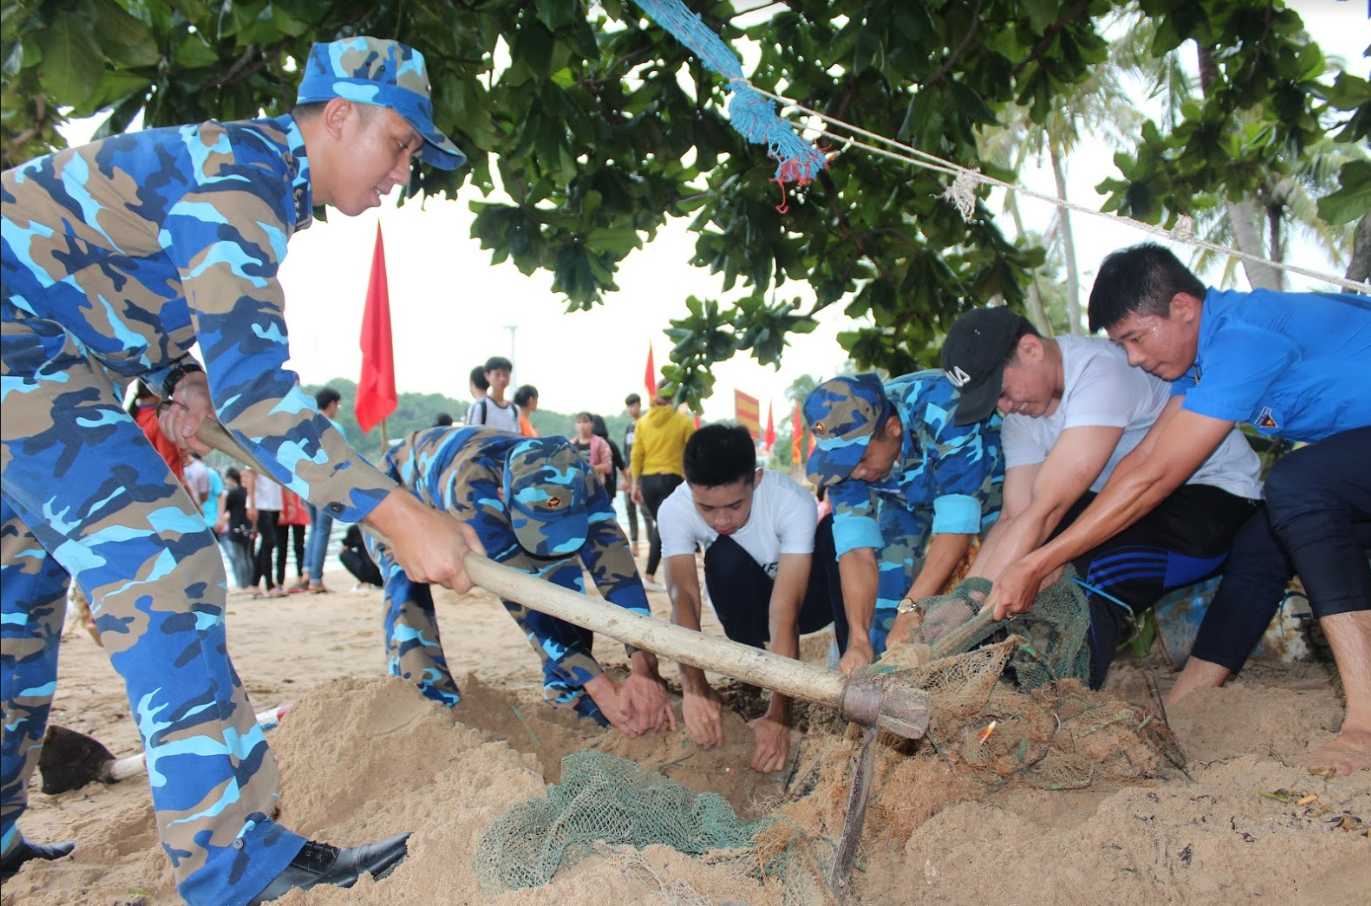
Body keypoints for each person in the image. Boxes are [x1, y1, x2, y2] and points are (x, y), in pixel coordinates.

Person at [1, 36, 483, 902]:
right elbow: (262, 399)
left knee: (19, 593)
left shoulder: (246, 176)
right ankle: (233, 867)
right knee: (167, 562)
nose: (403, 173)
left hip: (42, 340)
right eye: (401, 144)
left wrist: (179, 379)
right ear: (339, 116)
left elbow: (125, 286)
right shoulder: (240, 185)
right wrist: (401, 514)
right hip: (18, 343)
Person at [987, 243, 1371, 775]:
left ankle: (1365, 726)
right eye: (1122, 346)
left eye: (1136, 339)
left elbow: (1159, 477)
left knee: (1295, 486)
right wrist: (1051, 557)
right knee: (1264, 538)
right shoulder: (1199, 363)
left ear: (1184, 308)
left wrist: (1038, 561)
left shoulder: (1243, 337)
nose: (1135, 360)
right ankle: (1188, 699)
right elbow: (1140, 462)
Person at [939, 306, 1263, 688]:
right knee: (1029, 563)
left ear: (1031, 349)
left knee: (1085, 576)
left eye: (1002, 391)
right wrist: (960, 607)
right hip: (1128, 501)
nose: (1004, 407)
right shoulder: (1020, 418)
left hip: (1214, 496)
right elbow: (1015, 514)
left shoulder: (1100, 370)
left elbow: (1047, 511)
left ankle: (1067, 699)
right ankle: (1002, 679)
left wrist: (973, 614)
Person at [373, 427, 676, 736]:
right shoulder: (473, 496)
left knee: (560, 573)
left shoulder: (576, 473)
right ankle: (427, 698)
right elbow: (525, 602)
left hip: (469, 476)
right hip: (396, 488)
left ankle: (567, 690)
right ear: (504, 496)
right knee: (407, 581)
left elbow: (614, 561)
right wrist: (601, 688)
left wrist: (644, 665)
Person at [658, 425, 845, 772]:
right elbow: (682, 597)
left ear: (756, 479)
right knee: (722, 555)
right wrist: (694, 689)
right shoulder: (674, 509)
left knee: (836, 533)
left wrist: (780, 716)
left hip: (809, 605)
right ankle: (752, 680)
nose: (721, 518)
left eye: (734, 505)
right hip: (746, 613)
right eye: (707, 508)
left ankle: (852, 663)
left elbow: (785, 610)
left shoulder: (791, 500)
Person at [803, 373, 1004, 674]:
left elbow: (957, 525)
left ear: (893, 428)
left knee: (981, 589)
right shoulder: (844, 464)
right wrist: (858, 639)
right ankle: (886, 675)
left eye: (859, 459)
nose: (854, 473)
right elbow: (856, 551)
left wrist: (912, 608)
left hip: (984, 486)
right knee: (885, 597)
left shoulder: (940, 406)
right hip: (906, 502)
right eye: (843, 463)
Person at [631, 382, 696, 590]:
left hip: (647, 481)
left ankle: (655, 575)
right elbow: (693, 452)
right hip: (671, 479)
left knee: (662, 524)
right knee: (663, 526)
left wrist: (634, 483)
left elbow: (637, 454)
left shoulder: (642, 422)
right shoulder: (684, 420)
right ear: (675, 395)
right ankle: (649, 576)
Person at [302, 387, 345, 593]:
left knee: (314, 528)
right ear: (332, 404)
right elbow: (341, 458)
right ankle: (316, 579)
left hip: (304, 483)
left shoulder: (304, 425)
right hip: (326, 483)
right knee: (322, 529)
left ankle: (306, 571)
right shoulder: (333, 427)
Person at [243, 466, 286, 598]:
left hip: (274, 503)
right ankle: (270, 584)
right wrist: (252, 505)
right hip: (261, 505)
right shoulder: (254, 454)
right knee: (269, 541)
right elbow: (250, 478)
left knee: (266, 544)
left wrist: (286, 504)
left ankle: (254, 583)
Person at [622, 393, 651, 556]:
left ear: (639, 405)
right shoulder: (628, 428)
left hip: (641, 474)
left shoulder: (644, 425)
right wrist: (626, 474)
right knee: (629, 510)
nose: (630, 409)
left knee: (645, 510)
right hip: (629, 474)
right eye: (628, 406)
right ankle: (634, 544)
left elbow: (642, 451)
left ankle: (652, 541)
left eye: (633, 405)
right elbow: (626, 453)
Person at [221, 467, 256, 591]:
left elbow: (225, 508)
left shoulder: (233, 493)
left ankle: (243, 584)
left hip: (236, 526)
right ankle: (251, 582)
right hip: (247, 525)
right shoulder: (246, 491)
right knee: (247, 556)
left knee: (239, 557)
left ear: (230, 479)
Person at [465, 356, 519, 432]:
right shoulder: (480, 407)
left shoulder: (514, 409)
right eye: (497, 374)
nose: (502, 379)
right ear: (487, 376)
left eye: (505, 375)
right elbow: (470, 437)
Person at [572, 412, 613, 486]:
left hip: (595, 485)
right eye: (579, 422)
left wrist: (590, 469)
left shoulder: (600, 442)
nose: (582, 425)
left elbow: (607, 466)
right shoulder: (571, 444)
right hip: (576, 485)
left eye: (585, 422)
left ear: (592, 424)